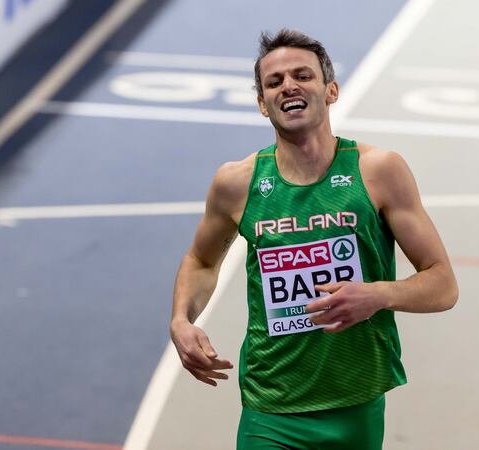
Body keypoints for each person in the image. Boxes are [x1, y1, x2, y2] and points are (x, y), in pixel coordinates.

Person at [170, 28, 458, 450]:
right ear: (262, 104)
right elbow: (202, 260)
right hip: (271, 406)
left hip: (356, 400)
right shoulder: (238, 182)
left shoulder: (378, 171)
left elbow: (443, 283)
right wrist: (181, 319)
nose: (289, 85)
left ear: (331, 90)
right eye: (274, 82)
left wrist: (377, 295)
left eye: (302, 75)